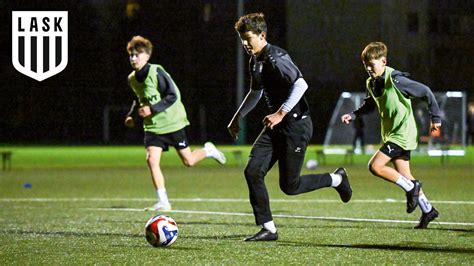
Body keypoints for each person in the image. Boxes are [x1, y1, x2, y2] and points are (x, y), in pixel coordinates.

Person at [228, 13, 352, 241]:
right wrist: (238, 117)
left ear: (262, 35)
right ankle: (268, 228)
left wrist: (280, 113)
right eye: (241, 39)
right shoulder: (255, 60)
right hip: (275, 126)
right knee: (253, 170)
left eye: (248, 38)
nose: (245, 44)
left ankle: (337, 179)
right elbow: (256, 92)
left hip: (295, 125)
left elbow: (301, 84)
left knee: (290, 186)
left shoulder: (276, 57)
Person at [341, 41, 441, 229]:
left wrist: (435, 118)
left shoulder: (396, 79)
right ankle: (428, 210)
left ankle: (412, 188)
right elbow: (370, 104)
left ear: (384, 61)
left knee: (375, 166)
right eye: (366, 66)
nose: (369, 69)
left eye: (372, 64)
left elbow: (426, 92)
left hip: (402, 133)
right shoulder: (371, 82)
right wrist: (353, 114)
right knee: (405, 174)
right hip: (391, 134)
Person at [125, 35, 226, 211]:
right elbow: (138, 99)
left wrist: (152, 108)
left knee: (188, 161)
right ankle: (163, 201)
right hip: (153, 127)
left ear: (147, 56)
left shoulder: (156, 72)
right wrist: (131, 115)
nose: (133, 58)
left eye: (137, 54)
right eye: (131, 55)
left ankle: (208, 150)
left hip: (172, 122)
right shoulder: (132, 78)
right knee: (151, 160)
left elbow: (173, 95)